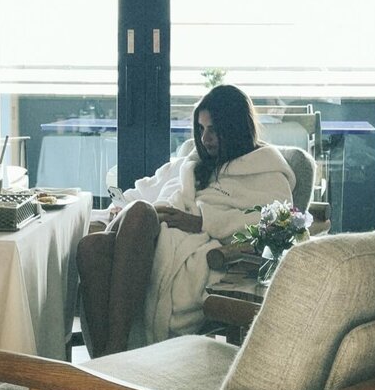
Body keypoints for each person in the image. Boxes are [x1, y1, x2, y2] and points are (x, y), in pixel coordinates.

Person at [77, 84, 295, 357]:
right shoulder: (191, 162)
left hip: (199, 254)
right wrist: (116, 210)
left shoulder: (266, 171)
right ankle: (106, 361)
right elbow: (145, 189)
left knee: (141, 212)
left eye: (213, 129)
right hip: (145, 242)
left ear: (235, 127)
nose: (205, 138)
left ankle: (112, 355)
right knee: (91, 246)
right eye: (201, 129)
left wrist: (203, 221)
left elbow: (272, 224)